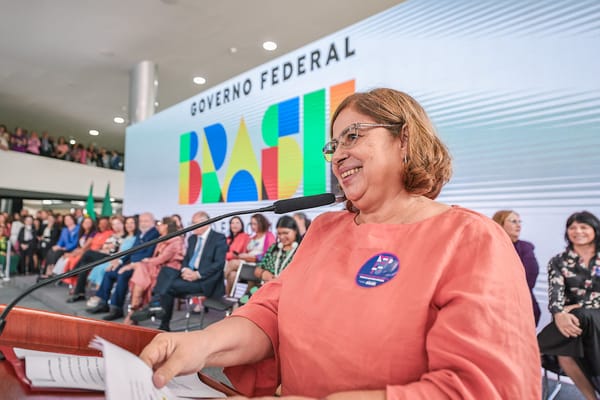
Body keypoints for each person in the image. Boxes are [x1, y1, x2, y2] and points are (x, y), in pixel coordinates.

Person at [139, 88, 541, 398]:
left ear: (405, 140)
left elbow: (485, 389)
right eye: (333, 146)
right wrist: (201, 344)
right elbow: (272, 312)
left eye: (353, 136)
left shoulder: (470, 238)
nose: (338, 156)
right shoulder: (325, 229)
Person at [538, 211, 600, 399]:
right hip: (571, 319)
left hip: (591, 316)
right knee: (564, 353)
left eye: (583, 227)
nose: (577, 231)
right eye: (572, 227)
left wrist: (575, 307)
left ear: (594, 230)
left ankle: (535, 346)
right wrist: (559, 313)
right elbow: (555, 291)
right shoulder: (559, 261)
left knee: (582, 314)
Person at [131, 211, 227, 332]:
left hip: (205, 280)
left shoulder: (218, 238)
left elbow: (219, 264)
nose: (191, 226)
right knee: (167, 270)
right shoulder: (192, 238)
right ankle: (157, 308)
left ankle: (159, 313)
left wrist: (197, 274)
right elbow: (186, 259)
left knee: (169, 287)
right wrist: (185, 270)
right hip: (189, 275)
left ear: (205, 224)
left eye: (194, 223)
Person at [86, 212, 159, 321]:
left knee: (122, 275)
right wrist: (120, 262)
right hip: (129, 263)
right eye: (142, 221)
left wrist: (131, 265)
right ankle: (103, 302)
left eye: (146, 221)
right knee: (109, 272)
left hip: (141, 266)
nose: (143, 223)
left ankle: (117, 308)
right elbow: (131, 251)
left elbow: (149, 253)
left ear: (153, 222)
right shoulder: (141, 233)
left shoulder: (155, 234)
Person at [122, 216, 184, 325]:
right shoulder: (162, 238)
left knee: (140, 269)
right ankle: (134, 310)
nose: (158, 227)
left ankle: (133, 311)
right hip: (155, 267)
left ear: (166, 226)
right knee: (140, 271)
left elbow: (162, 259)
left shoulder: (176, 240)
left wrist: (145, 261)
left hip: (166, 271)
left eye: (160, 224)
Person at [492, 210, 541, 325]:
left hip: (520, 307)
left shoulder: (526, 248)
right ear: (499, 223)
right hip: (495, 307)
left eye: (519, 221)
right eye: (513, 221)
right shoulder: (491, 246)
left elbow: (529, 278)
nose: (518, 225)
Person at [224, 213, 275, 295]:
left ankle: (217, 282)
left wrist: (254, 258)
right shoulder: (252, 237)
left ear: (261, 223)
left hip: (257, 264)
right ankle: (228, 300)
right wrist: (242, 256)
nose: (252, 226)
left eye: (255, 223)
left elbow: (270, 254)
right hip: (246, 263)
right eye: (251, 224)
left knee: (233, 263)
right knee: (232, 275)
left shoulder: (268, 235)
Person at [253, 215, 301, 283]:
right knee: (250, 293)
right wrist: (263, 273)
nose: (281, 237)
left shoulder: (301, 250)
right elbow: (257, 269)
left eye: (285, 233)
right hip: (266, 287)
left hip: (288, 289)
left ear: (295, 231)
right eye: (279, 233)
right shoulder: (274, 248)